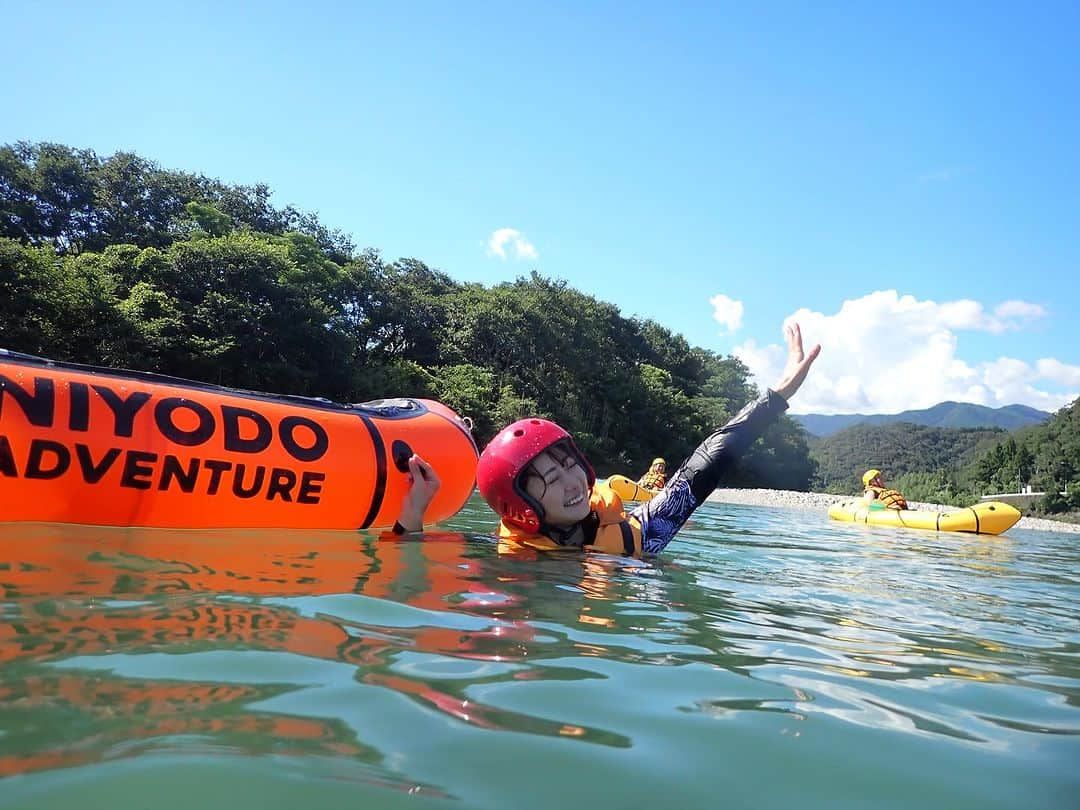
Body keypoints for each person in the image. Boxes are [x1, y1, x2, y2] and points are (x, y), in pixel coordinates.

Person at [397, 322, 820, 556]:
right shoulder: (501, 557)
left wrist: (776, 397)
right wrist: (416, 506)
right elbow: (411, 559)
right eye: (548, 477)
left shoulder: (640, 533)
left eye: (568, 465)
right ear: (520, 507)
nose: (571, 482)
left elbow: (705, 465)